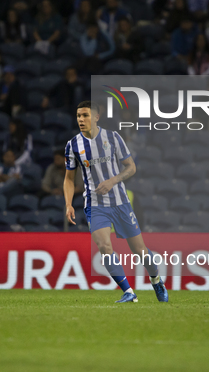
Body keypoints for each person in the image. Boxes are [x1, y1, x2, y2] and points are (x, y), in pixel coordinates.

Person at [64, 101, 168, 303]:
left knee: (140, 250)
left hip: (120, 201)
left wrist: (113, 180)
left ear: (96, 117)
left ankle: (156, 279)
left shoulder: (112, 138)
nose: (81, 120)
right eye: (78, 116)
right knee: (104, 246)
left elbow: (131, 167)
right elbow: (68, 178)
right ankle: (128, 291)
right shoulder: (73, 145)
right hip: (95, 204)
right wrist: (68, 203)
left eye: (85, 115)